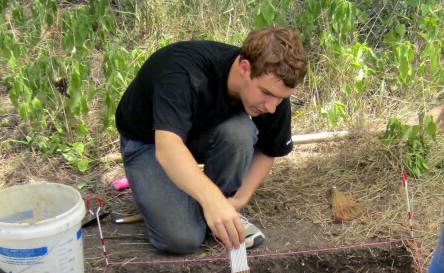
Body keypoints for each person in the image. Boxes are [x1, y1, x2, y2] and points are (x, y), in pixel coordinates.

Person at [114, 27, 307, 255]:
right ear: (245, 68)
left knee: (240, 131)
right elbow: (168, 148)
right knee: (182, 239)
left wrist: (237, 201)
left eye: (280, 98)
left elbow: (268, 150)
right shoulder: (182, 73)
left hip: (200, 134)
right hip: (149, 142)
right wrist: (211, 199)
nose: (271, 107)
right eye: (266, 93)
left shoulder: (274, 90)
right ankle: (203, 205)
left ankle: (219, 212)